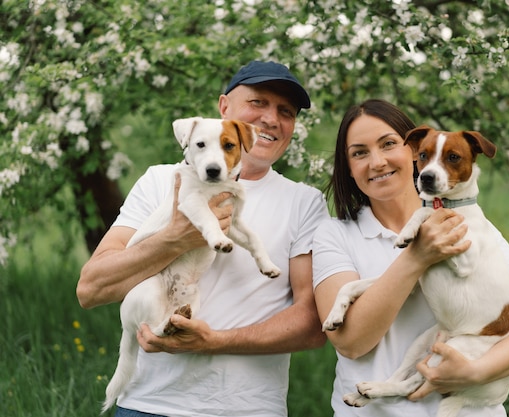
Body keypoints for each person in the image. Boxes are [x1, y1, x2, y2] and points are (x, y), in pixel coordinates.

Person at [77, 61, 329, 417]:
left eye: (285, 111)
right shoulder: (158, 180)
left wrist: (214, 342)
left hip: (250, 410)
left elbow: (312, 325)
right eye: (258, 102)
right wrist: (175, 238)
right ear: (224, 107)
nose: (272, 118)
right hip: (149, 405)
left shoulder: (305, 203)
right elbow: (91, 289)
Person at [312, 99, 509, 417]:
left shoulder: (470, 226)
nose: (377, 162)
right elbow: (349, 342)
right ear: (347, 166)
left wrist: (475, 373)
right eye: (359, 152)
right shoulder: (334, 235)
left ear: (408, 149)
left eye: (388, 144)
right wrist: (418, 257)